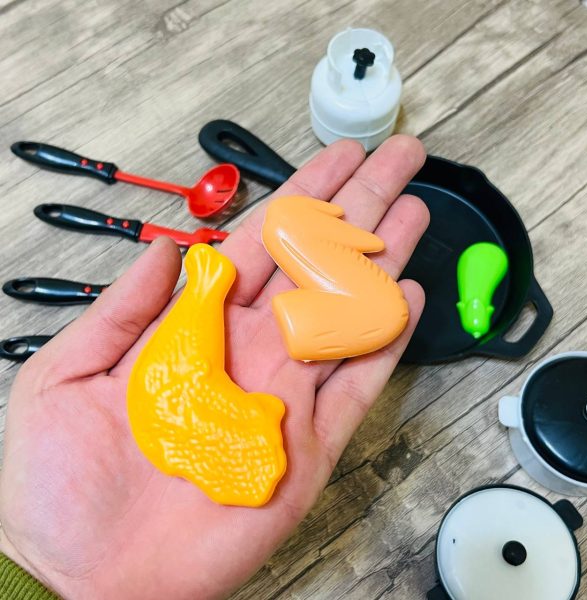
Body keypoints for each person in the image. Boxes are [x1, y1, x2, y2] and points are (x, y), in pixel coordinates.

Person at [0, 135, 429, 599]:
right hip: (194, 387)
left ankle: (232, 279)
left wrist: (38, 569)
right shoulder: (193, 417)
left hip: (194, 384)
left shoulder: (189, 411)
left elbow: (251, 408)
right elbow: (254, 409)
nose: (273, 410)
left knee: (216, 312)